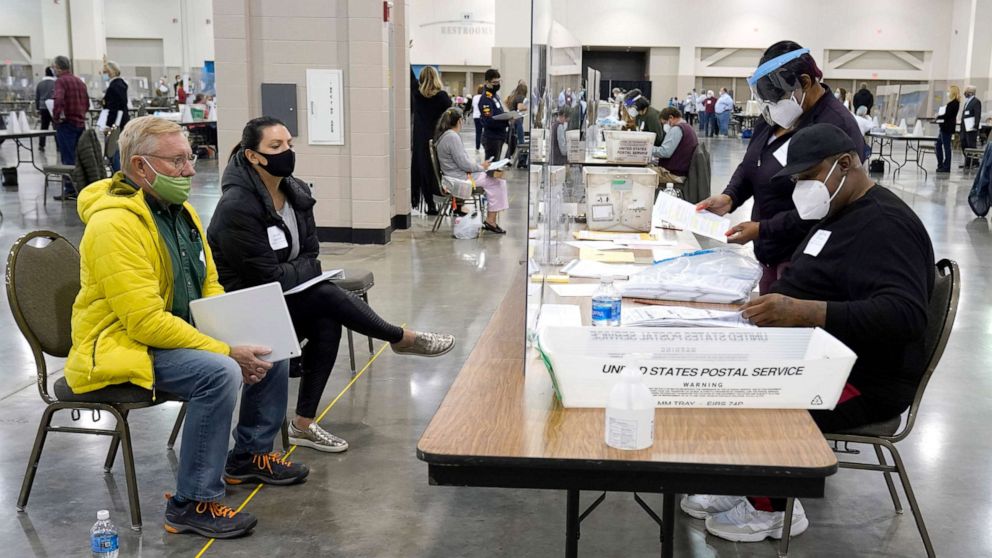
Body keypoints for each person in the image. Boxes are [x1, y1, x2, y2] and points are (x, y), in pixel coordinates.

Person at [685, 123, 934, 543]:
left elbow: (905, 315)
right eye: (798, 180)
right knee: (722, 370)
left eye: (810, 176)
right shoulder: (839, 213)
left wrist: (807, 312)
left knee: (764, 391)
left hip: (863, 377)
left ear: (847, 164)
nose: (804, 188)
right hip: (823, 352)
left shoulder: (886, 225)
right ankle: (747, 478)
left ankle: (774, 507)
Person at [66, 116, 308, 538]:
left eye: (189, 158)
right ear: (141, 167)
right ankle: (192, 502)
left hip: (171, 333)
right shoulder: (114, 225)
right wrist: (224, 349)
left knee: (269, 344)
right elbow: (144, 323)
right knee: (219, 372)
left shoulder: (181, 212)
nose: (191, 170)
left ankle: (249, 455)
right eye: (178, 161)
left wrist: (234, 332)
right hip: (122, 345)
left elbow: (208, 282)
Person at [208, 117, 456, 452]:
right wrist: (300, 270)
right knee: (324, 294)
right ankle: (399, 337)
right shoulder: (237, 206)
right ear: (253, 156)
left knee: (326, 318)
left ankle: (303, 424)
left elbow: (312, 255)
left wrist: (297, 270)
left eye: (289, 145)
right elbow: (266, 277)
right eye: (275, 147)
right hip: (247, 306)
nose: (286, 152)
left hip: (284, 298)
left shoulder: (295, 192)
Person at [695, 41, 865, 293]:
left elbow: (824, 207)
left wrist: (763, 229)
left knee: (786, 327)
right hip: (769, 251)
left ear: (805, 83)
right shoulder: (775, 116)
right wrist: (730, 196)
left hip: (805, 259)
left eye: (778, 97)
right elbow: (751, 163)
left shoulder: (835, 127)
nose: (772, 106)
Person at [434, 108, 510, 234]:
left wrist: (480, 166)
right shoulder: (452, 137)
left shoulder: (446, 135)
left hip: (456, 175)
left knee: (494, 180)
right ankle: (491, 221)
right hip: (459, 179)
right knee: (497, 182)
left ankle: (491, 220)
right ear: (459, 121)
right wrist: (482, 167)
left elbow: (462, 162)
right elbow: (464, 164)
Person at [411, 66, 452, 215]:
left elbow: (411, 78)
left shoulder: (416, 95)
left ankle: (430, 204)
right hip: (438, 138)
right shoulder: (442, 97)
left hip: (420, 138)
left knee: (424, 170)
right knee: (441, 170)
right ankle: (449, 200)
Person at [51, 55, 89, 201]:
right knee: (79, 157)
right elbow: (86, 103)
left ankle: (70, 189)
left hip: (67, 124)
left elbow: (58, 100)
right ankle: (81, 187)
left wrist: (56, 116)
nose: (53, 70)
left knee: (68, 158)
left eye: (54, 67)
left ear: (59, 68)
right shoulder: (79, 81)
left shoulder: (61, 81)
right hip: (80, 123)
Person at [101, 60, 130, 173]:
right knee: (118, 150)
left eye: (104, 72)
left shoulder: (114, 86)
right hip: (122, 121)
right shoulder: (121, 84)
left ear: (111, 72)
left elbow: (114, 109)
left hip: (116, 123)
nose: (103, 74)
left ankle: (119, 174)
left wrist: (109, 125)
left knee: (114, 151)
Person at [653, 107, 699, 177]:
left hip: (674, 173)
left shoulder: (676, 130)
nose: (666, 125)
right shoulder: (688, 127)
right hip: (682, 169)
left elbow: (665, 152)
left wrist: (648, 148)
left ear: (671, 117)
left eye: (665, 123)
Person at [478, 68, 511, 162]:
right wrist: (506, 121)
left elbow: (498, 113)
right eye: (495, 82)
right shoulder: (485, 99)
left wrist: (508, 116)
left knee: (495, 166)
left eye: (499, 81)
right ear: (487, 82)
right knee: (491, 167)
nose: (497, 85)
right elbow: (489, 121)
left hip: (499, 135)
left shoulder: (494, 96)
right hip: (492, 138)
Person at [936, 85, 961, 173]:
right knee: (938, 145)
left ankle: (946, 167)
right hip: (944, 127)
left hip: (947, 128)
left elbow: (946, 115)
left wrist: (939, 116)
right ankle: (941, 164)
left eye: (949, 91)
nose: (948, 93)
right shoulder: (952, 103)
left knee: (946, 147)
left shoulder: (954, 103)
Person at [960, 85, 983, 169]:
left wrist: (975, 126)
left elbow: (977, 114)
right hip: (964, 127)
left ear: (970, 92)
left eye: (966, 91)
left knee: (971, 145)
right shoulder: (967, 102)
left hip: (971, 128)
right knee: (963, 143)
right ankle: (969, 161)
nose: (964, 93)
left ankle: (972, 163)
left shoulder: (976, 101)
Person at [34, 67, 56, 151]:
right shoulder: (55, 83)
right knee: (55, 127)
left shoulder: (40, 84)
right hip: (53, 107)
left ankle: (41, 145)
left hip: (43, 107)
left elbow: (37, 97)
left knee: (43, 127)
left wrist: (37, 108)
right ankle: (58, 145)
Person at [471, 85, 484, 151]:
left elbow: (473, 105)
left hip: (476, 116)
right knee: (485, 131)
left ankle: (477, 146)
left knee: (478, 132)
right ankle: (484, 145)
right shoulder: (484, 97)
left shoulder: (475, 97)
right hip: (483, 116)